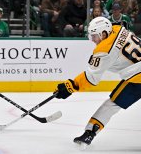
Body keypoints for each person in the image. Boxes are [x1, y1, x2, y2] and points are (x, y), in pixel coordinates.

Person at [54, 16, 141, 148]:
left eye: (95, 36)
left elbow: (91, 79)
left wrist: (70, 86)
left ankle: (89, 133)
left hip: (137, 78)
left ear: (104, 33)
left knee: (111, 105)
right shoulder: (118, 28)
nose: (93, 40)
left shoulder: (104, 50)